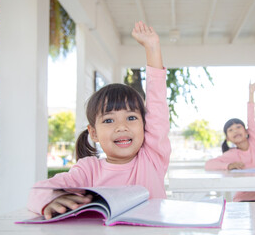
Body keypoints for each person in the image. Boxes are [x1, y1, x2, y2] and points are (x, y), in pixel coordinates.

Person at [27, 21, 171, 219]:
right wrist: (50, 200)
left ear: (146, 127)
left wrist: (152, 47)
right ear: (93, 132)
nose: (122, 127)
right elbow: (37, 191)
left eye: (131, 117)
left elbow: (157, 105)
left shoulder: (152, 158)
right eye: (109, 120)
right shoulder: (88, 169)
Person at [205, 81, 255, 202]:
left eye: (238, 127)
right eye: (230, 130)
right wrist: (229, 166)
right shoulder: (232, 154)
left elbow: (251, 118)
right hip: (243, 200)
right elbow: (208, 164)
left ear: (247, 131)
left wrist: (251, 93)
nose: (235, 131)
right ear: (228, 138)